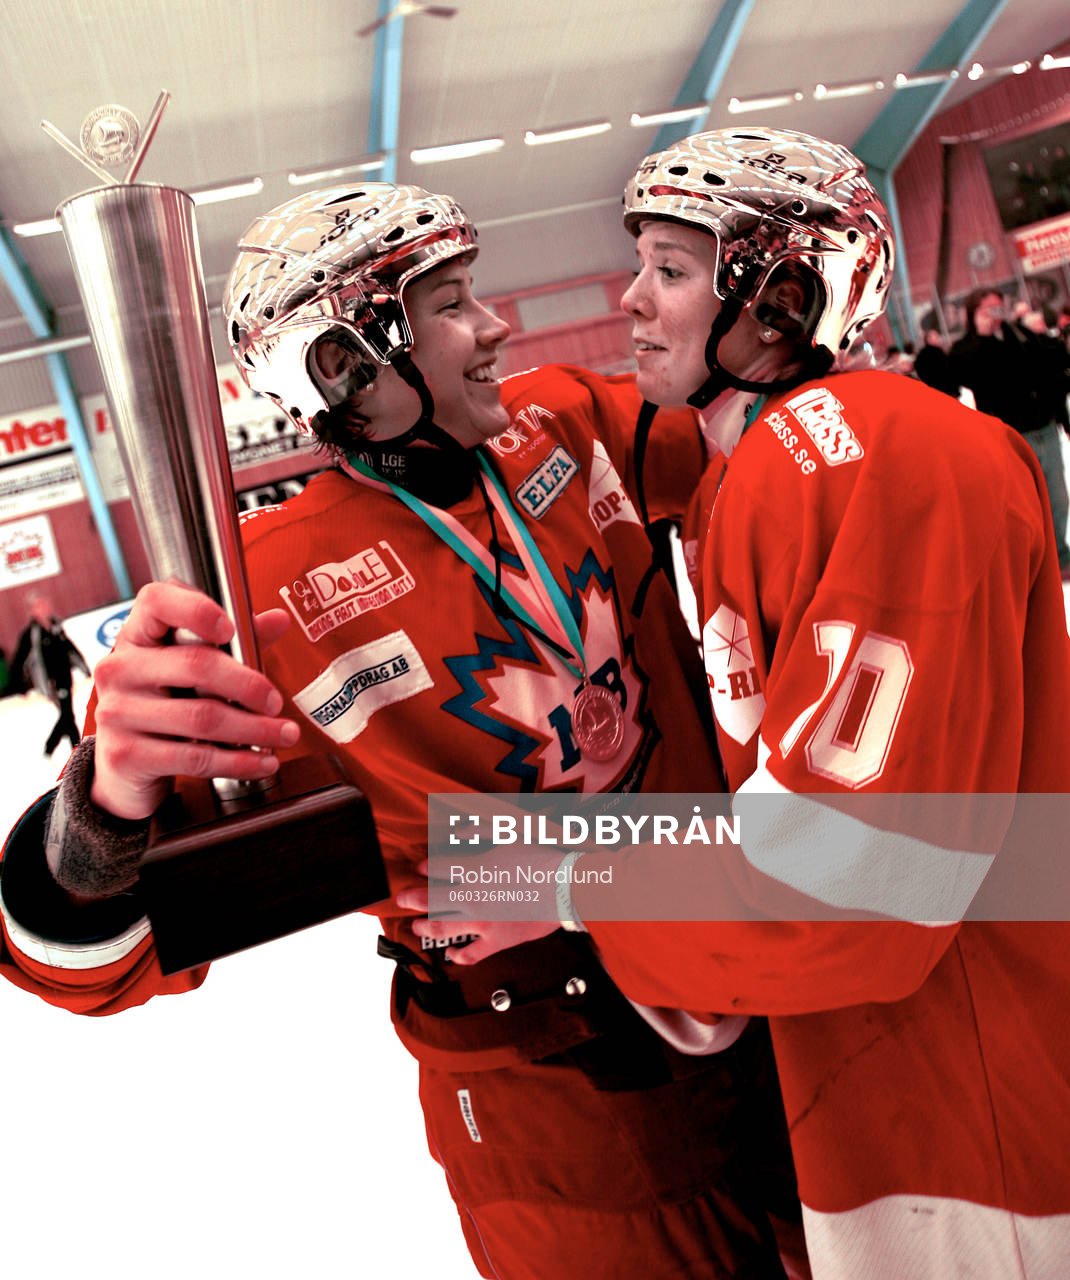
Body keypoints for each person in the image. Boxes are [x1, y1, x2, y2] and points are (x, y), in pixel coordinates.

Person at [0, 183, 805, 1279]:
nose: (494, 327)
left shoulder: (565, 421)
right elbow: (85, 963)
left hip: (769, 983)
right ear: (347, 366)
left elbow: (780, 465)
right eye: (452, 303)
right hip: (562, 1092)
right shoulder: (258, 604)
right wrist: (105, 805)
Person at [429, 128, 1070, 1278]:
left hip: (979, 1113)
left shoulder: (876, 450)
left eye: (671, 270)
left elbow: (862, 877)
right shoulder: (760, 466)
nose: (627, 298)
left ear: (780, 300)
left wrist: (553, 871)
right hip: (898, 1084)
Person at [950, 287, 1070, 573]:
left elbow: (1053, 367)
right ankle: (1037, 559)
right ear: (974, 313)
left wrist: (1062, 418)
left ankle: (1060, 553)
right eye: (988, 309)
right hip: (1012, 433)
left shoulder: (1019, 334)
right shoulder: (969, 347)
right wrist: (982, 335)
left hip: (1043, 426)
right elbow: (958, 375)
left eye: (998, 307)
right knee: (1027, 500)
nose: (996, 314)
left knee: (1058, 495)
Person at [9, 592, 90, 755]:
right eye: (40, 605)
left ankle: (70, 748)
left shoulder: (55, 626)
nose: (45, 608)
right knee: (67, 713)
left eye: (46, 604)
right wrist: (19, 686)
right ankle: (64, 747)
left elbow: (70, 648)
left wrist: (83, 667)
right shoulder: (31, 635)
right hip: (50, 681)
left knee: (67, 713)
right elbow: (19, 661)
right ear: (32, 611)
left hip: (66, 677)